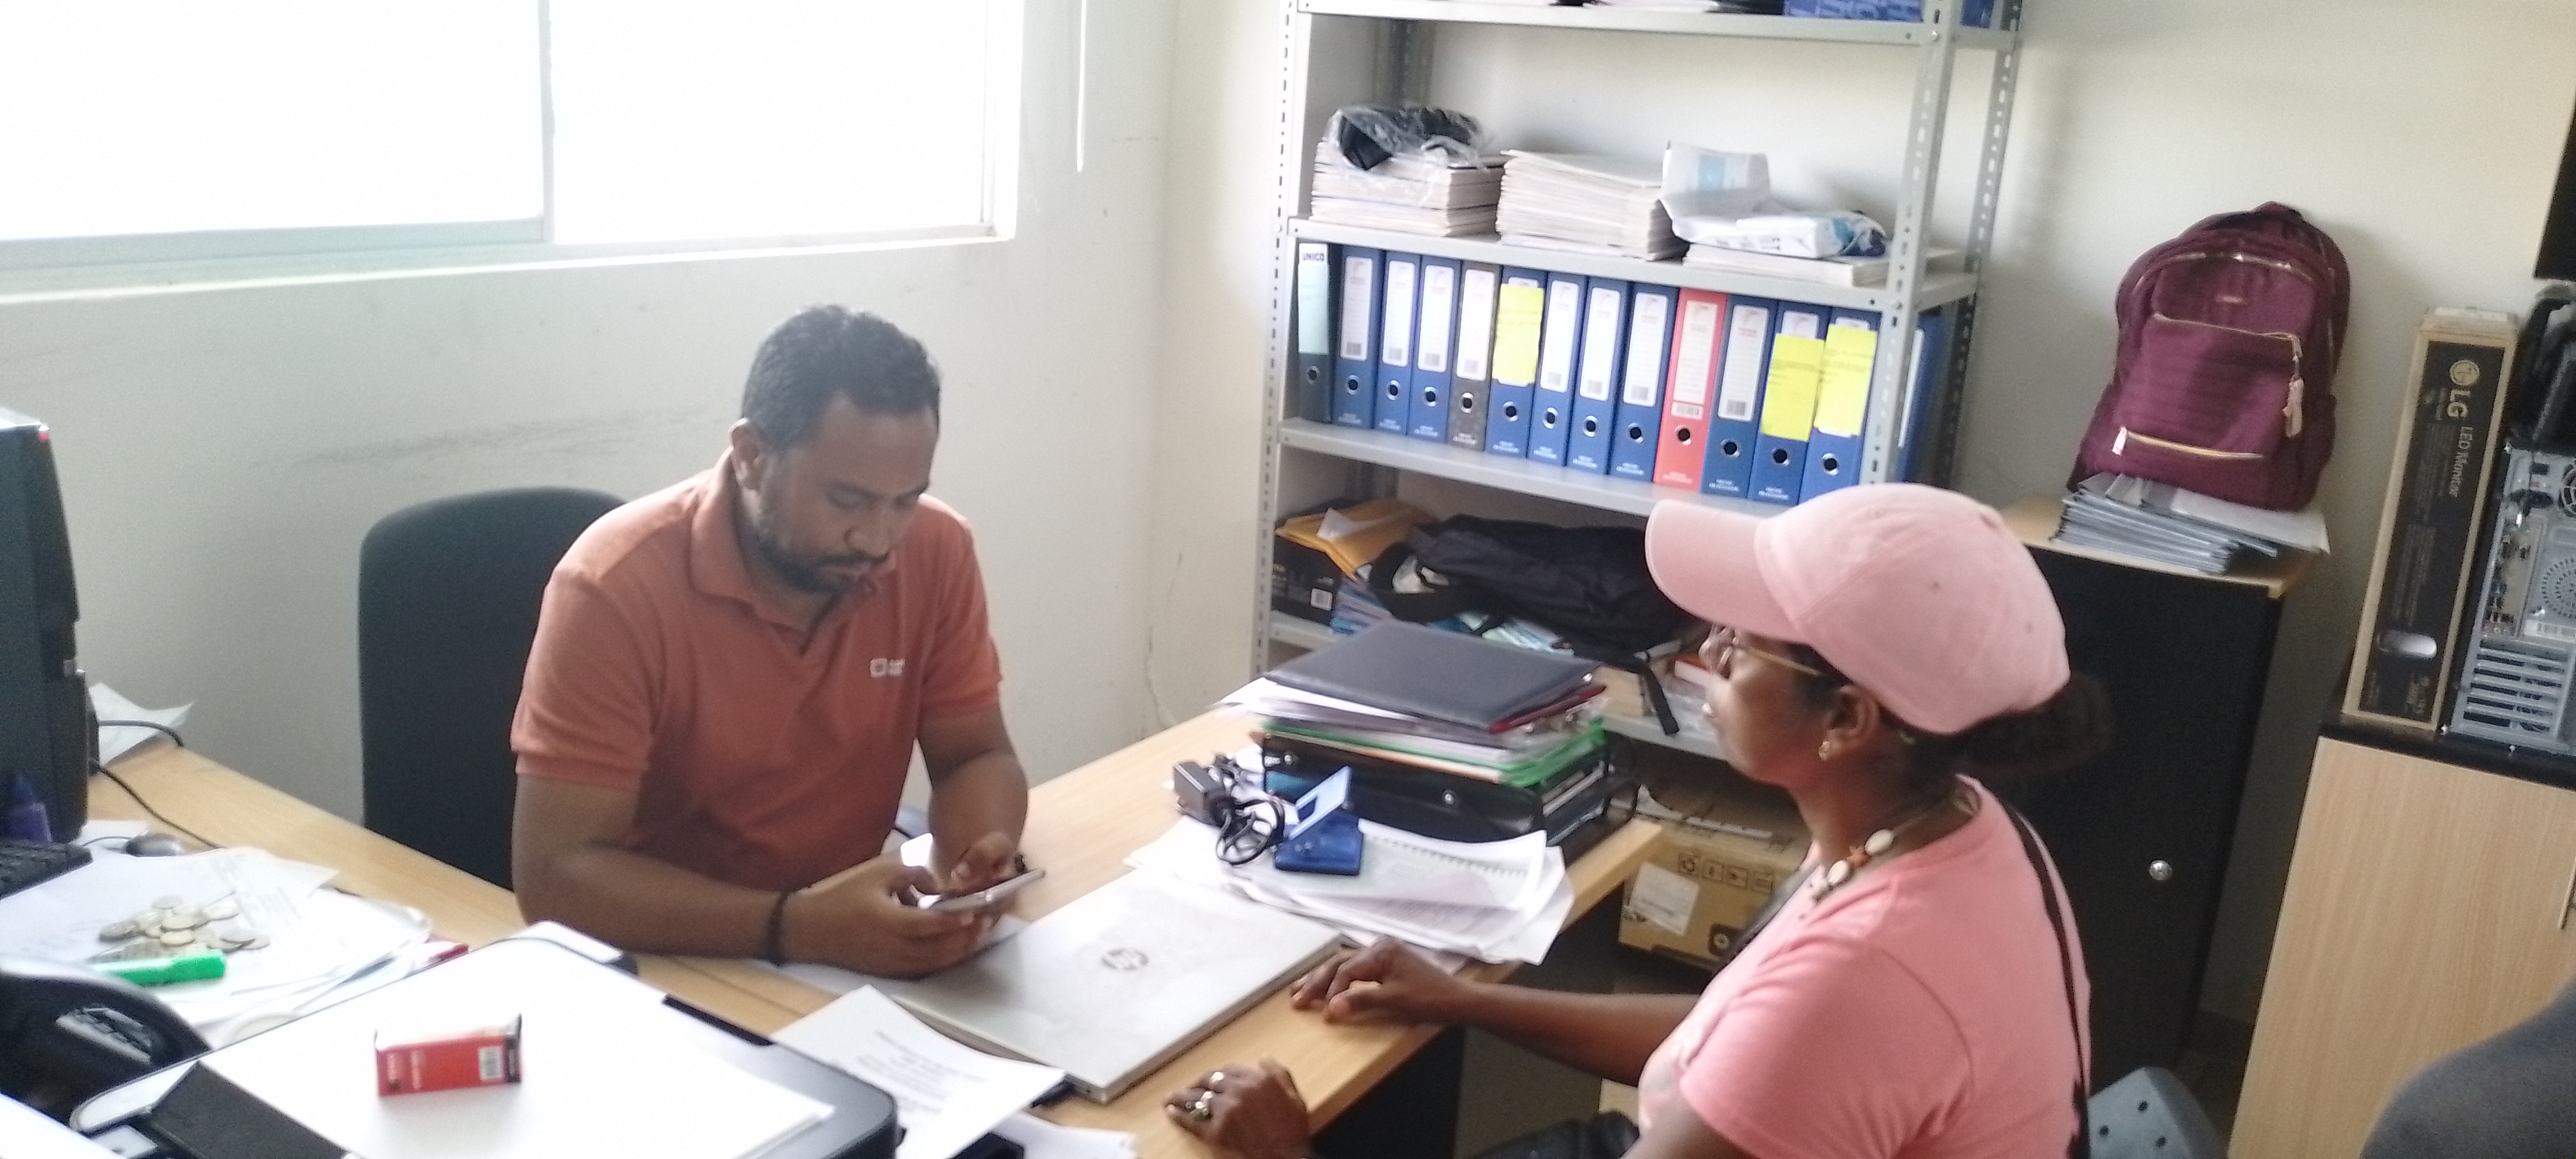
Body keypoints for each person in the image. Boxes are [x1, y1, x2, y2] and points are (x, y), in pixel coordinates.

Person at [1167, 484, 2110, 1159]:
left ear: (1848, 720)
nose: (1709, 651)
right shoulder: (1960, 826)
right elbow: (1734, 1038)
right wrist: (1463, 1000)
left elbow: (1801, 1032)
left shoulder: (1863, 977)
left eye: (1743, 643)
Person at [510, 305, 1028, 979]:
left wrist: (977, 861)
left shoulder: (937, 548)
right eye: (846, 501)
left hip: (845, 931)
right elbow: (555, 877)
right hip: (675, 950)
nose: (878, 540)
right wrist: (797, 926)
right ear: (753, 456)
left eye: (904, 501)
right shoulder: (614, 586)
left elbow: (974, 756)